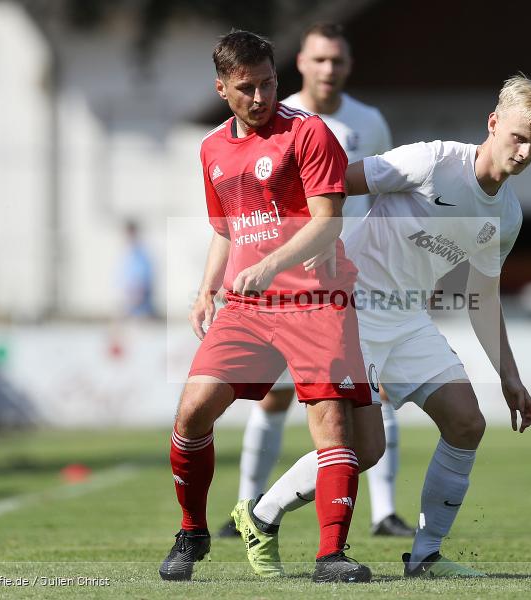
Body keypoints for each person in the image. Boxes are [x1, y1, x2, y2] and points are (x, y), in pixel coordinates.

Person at [237, 74, 531, 578]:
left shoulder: (507, 216)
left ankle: (426, 556)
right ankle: (261, 515)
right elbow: (332, 184)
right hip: (353, 310)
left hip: (409, 319)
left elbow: (482, 296)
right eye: (519, 137)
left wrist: (509, 375)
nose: (524, 153)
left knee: (467, 423)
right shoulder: (433, 161)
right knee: (365, 450)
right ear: (493, 123)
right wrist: (315, 245)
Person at [158, 30, 374, 584]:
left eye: (269, 84)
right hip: (247, 306)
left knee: (333, 426)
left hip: (316, 300)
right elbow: (225, 229)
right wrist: (206, 289)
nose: (260, 97)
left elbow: (328, 221)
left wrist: (272, 264)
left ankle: (331, 556)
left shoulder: (309, 132)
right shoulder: (211, 148)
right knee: (191, 413)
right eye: (246, 88)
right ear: (222, 89)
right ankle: (192, 531)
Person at [216, 22, 412, 541]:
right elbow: (240, 214)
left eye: (337, 60)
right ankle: (245, 506)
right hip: (287, 285)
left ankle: (384, 512)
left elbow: (386, 198)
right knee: (275, 397)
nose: (329, 69)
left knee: (375, 391)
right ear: (299, 63)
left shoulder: (369, 121)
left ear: (348, 65)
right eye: (319, 59)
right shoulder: (272, 116)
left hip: (359, 278)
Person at [118, 219, 156, 319]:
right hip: (129, 303)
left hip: (140, 303)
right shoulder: (126, 253)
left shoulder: (141, 254)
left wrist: (138, 293)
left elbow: (145, 277)